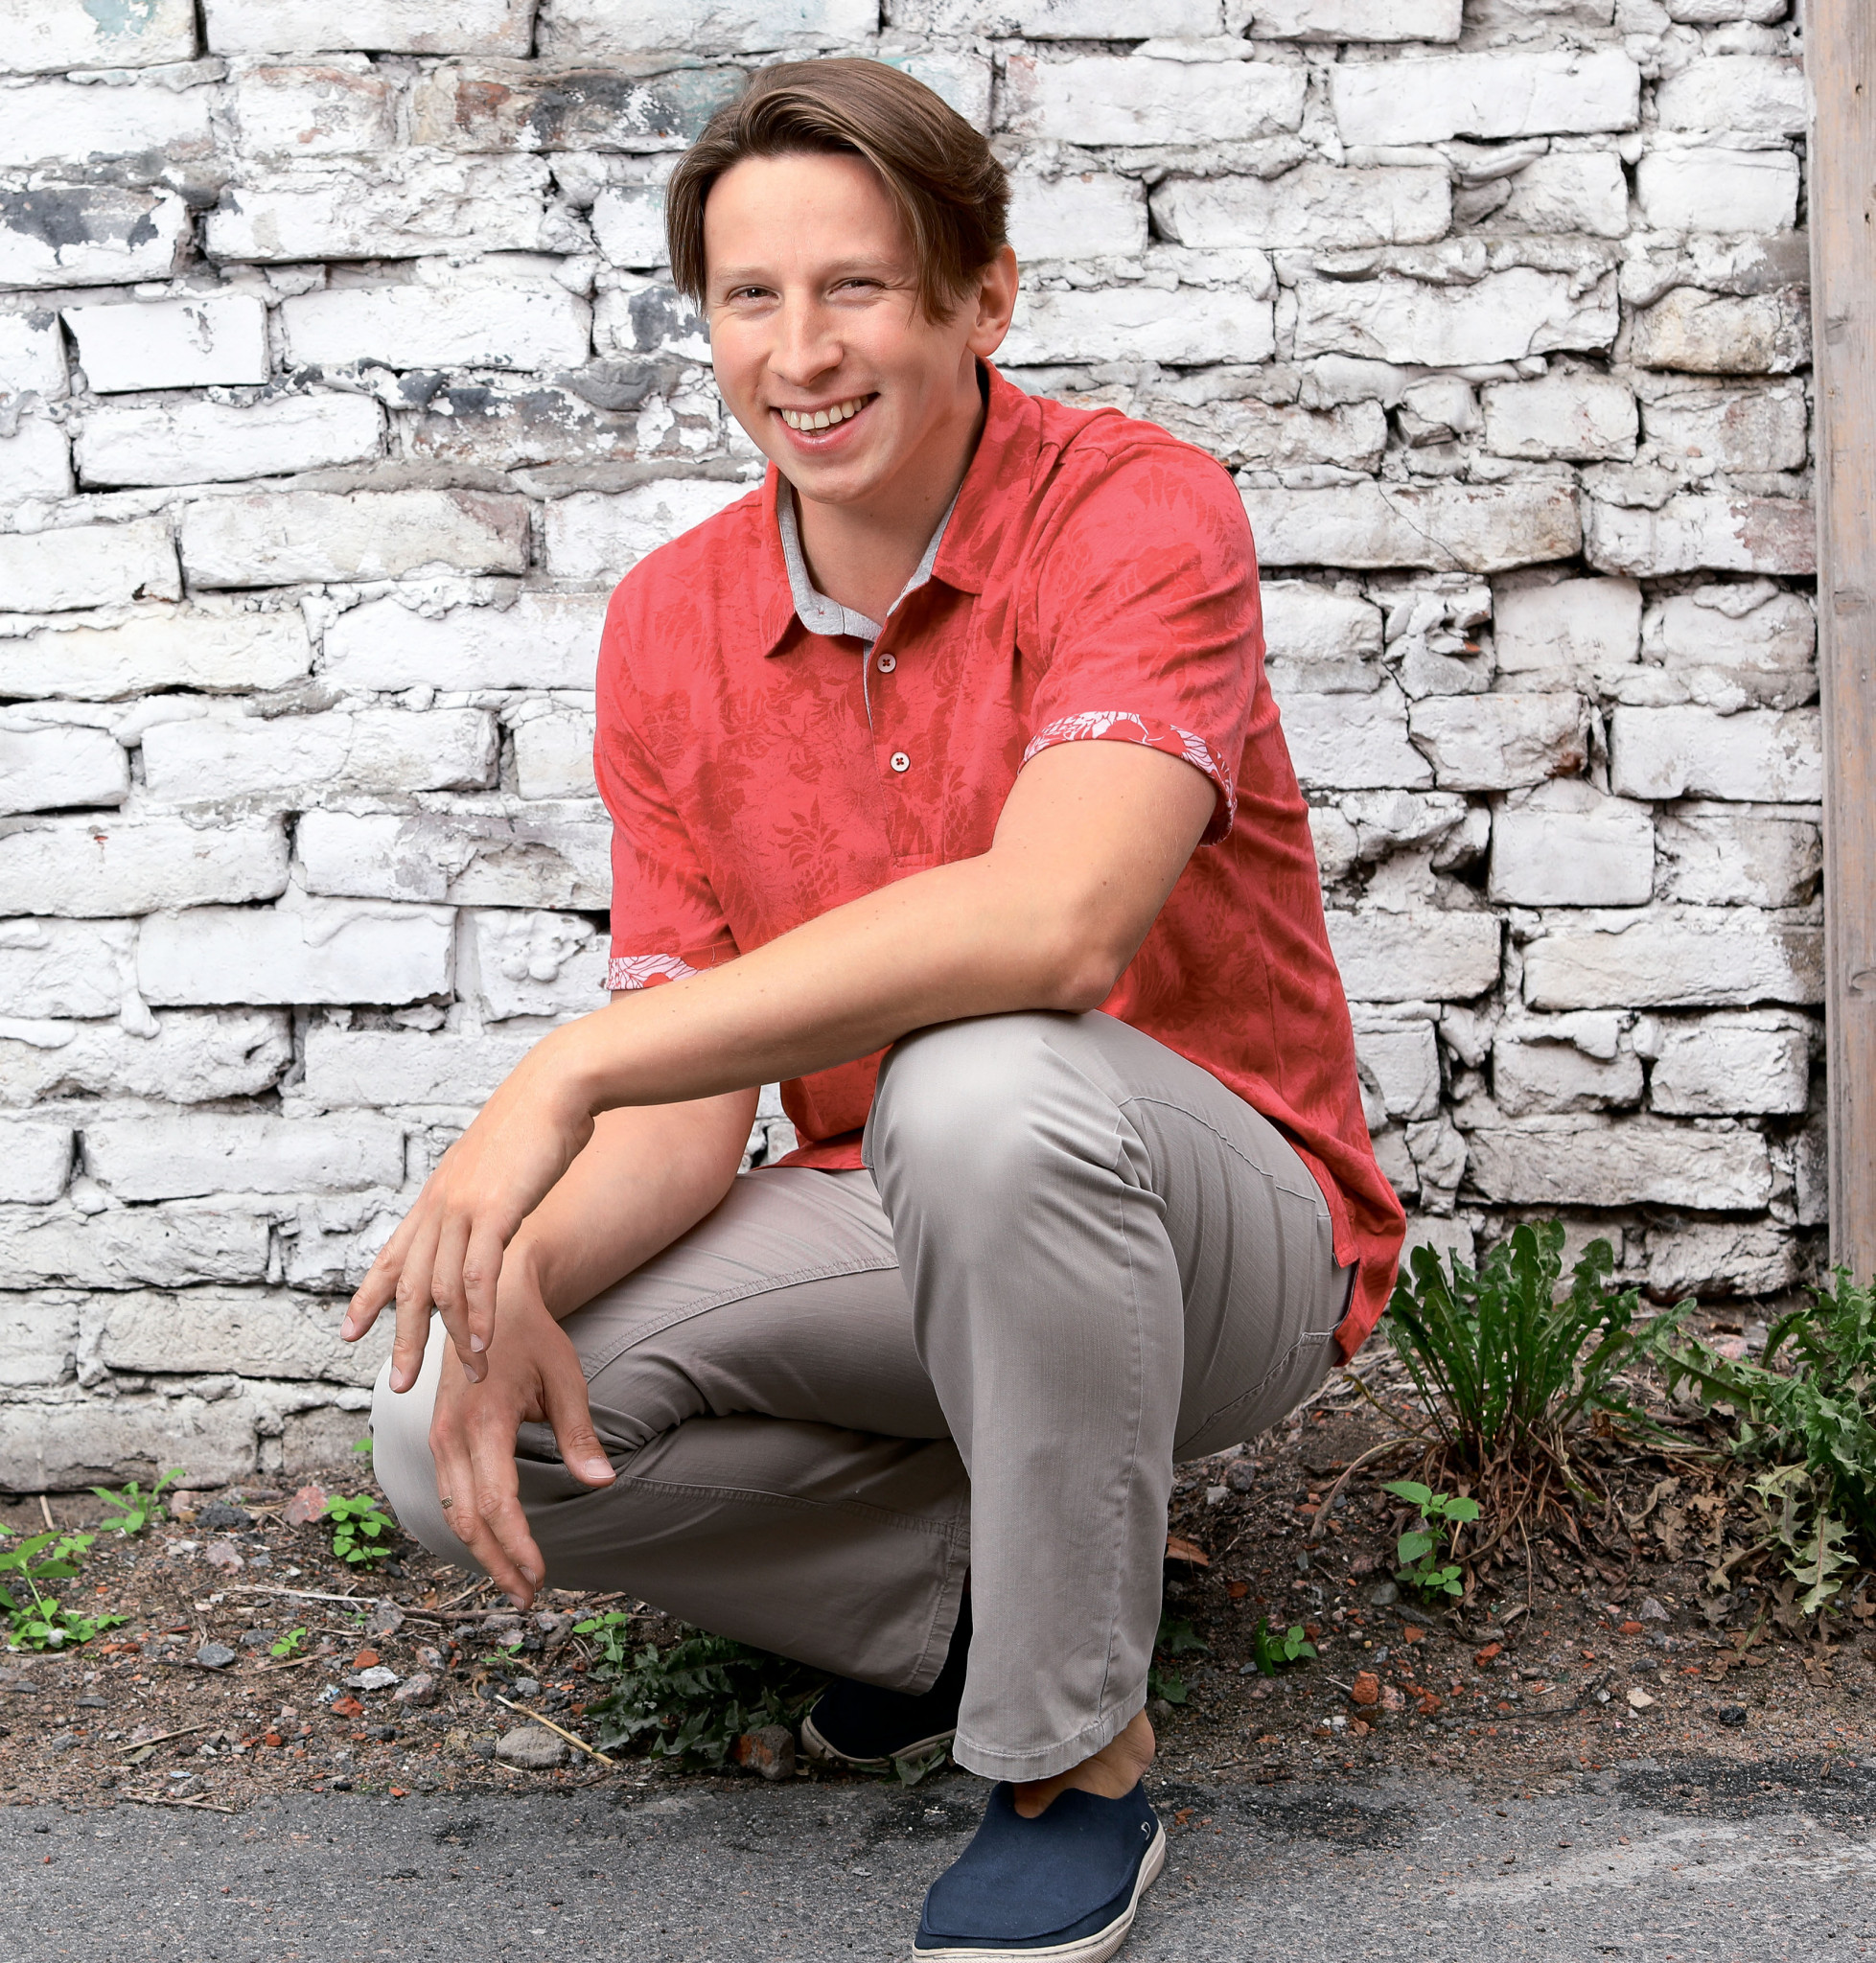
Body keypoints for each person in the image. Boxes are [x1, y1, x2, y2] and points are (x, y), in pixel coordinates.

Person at [352, 56, 1403, 1961]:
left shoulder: (1135, 511)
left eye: (857, 286)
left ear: (979, 297)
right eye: (749, 297)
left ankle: (1072, 1756)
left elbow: (1058, 926)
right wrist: (525, 1260)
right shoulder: (669, 622)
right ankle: (984, 1596)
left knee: (980, 1077)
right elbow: (696, 1107)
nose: (801, 352)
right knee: (447, 1414)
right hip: (905, 1222)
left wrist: (565, 1068)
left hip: (1217, 1235)